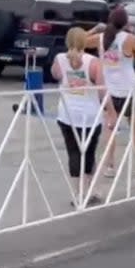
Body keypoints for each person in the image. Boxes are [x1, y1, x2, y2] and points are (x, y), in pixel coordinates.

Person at [99, 7, 135, 180]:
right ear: (125, 22)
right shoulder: (129, 39)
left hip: (109, 91)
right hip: (128, 90)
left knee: (110, 129)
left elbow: (79, 41)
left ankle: (109, 166)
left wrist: (95, 29)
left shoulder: (101, 39)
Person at [52, 27, 105, 208]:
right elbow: (101, 90)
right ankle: (89, 191)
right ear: (85, 42)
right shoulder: (93, 62)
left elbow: (56, 75)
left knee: (73, 152)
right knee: (89, 152)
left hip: (67, 113)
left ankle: (77, 192)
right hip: (89, 114)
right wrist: (109, 109)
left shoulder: (59, 59)